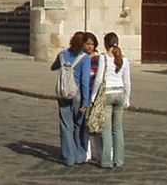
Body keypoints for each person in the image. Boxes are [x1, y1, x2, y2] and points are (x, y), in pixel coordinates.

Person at [51, 31, 90, 166]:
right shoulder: (85, 58)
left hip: (63, 93)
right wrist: (86, 101)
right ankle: (80, 155)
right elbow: (85, 81)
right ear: (83, 44)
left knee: (66, 125)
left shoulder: (62, 55)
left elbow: (53, 67)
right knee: (79, 125)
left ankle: (69, 157)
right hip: (77, 94)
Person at [94, 32, 131, 169]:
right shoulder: (124, 59)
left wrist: (93, 97)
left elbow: (98, 79)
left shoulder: (103, 58)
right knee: (118, 129)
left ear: (105, 43)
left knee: (106, 129)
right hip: (120, 93)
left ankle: (106, 161)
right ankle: (119, 159)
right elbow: (127, 82)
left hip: (108, 94)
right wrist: (127, 98)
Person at [82, 31, 100, 161]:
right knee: (84, 126)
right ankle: (86, 152)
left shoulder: (99, 58)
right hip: (84, 93)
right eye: (87, 44)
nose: (90, 47)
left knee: (96, 126)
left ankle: (99, 152)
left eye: (92, 44)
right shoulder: (81, 57)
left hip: (95, 93)